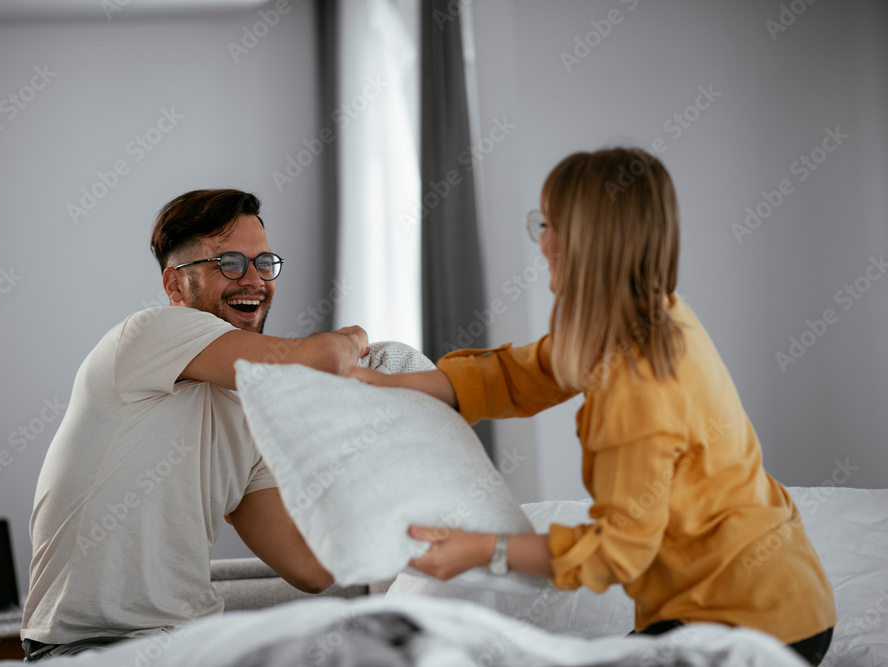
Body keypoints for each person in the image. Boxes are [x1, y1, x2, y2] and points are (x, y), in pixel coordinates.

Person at [346, 148, 836, 666]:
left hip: (754, 625)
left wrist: (479, 550)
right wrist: (381, 383)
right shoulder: (644, 314)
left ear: (594, 244)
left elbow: (616, 551)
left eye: (552, 227)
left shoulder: (639, 383)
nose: (543, 244)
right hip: (747, 599)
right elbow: (518, 373)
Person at [21, 189, 368, 660]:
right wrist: (357, 338)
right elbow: (324, 359)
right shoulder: (145, 335)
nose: (253, 280)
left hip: (194, 648)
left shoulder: (252, 414)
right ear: (175, 286)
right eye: (228, 263)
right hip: (92, 650)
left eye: (263, 262)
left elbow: (313, 568)